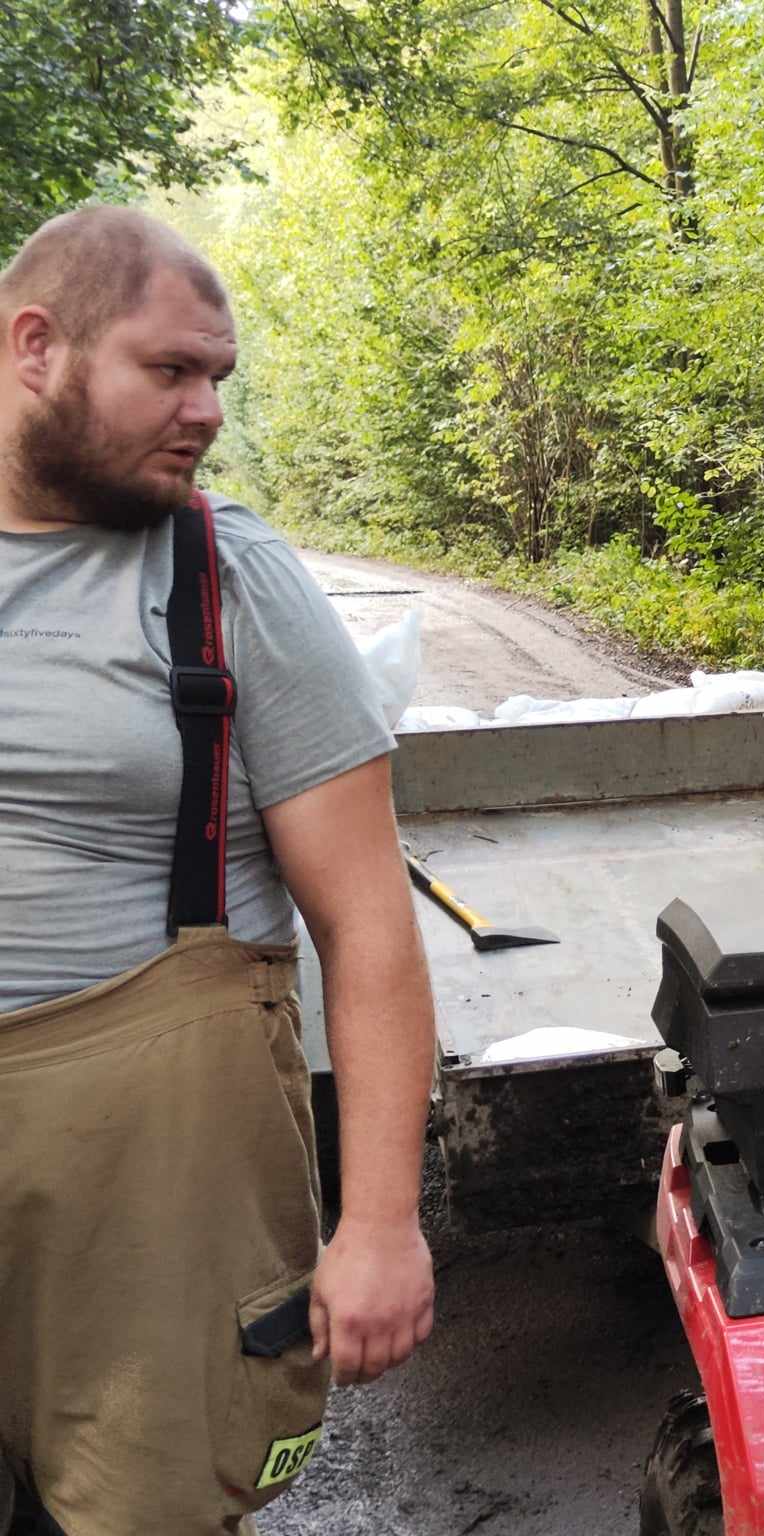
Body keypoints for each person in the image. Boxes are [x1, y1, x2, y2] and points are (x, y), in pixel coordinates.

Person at [0, 207, 436, 1533]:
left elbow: (369, 924)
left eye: (218, 380)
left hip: (159, 1176)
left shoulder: (225, 575)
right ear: (36, 346)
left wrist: (379, 1226)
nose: (204, 414)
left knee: (152, 1505)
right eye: (170, 372)